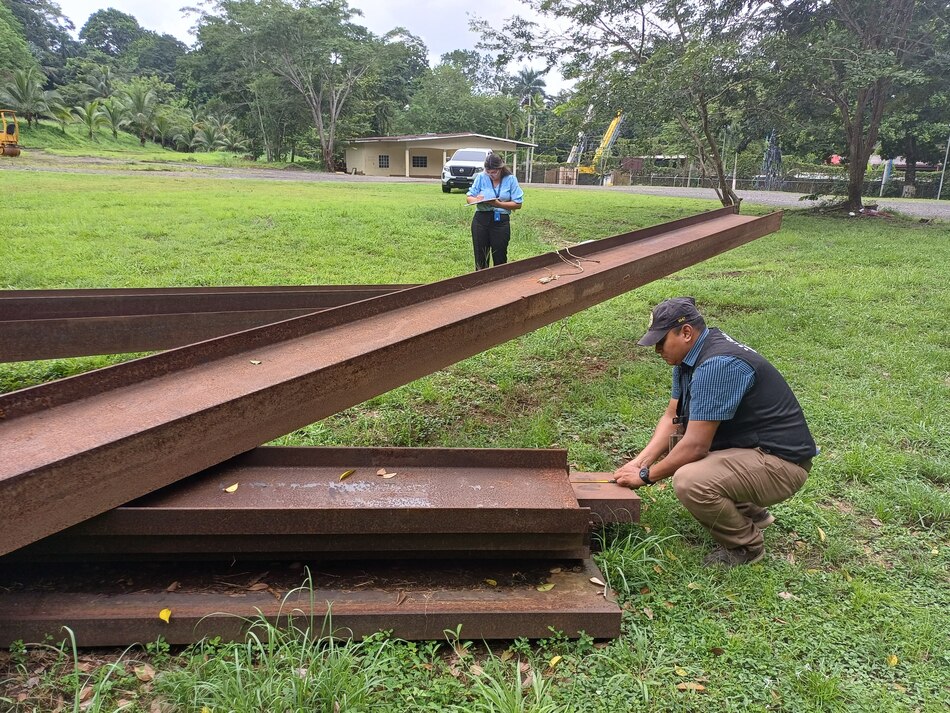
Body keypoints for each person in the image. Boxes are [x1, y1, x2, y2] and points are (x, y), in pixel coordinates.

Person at [614, 297, 817, 567]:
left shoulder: (717, 365)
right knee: (679, 446)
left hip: (783, 465)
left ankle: (746, 546)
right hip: (753, 451)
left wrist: (646, 476)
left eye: (661, 342)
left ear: (686, 333)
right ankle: (752, 513)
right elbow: (673, 417)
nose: (657, 350)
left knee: (689, 478)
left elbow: (697, 445)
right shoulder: (691, 356)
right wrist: (641, 461)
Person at [466, 153, 524, 270]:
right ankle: (481, 283)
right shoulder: (481, 177)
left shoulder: (511, 179)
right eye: (488, 172)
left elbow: (518, 204)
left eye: (494, 172)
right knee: (480, 256)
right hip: (481, 220)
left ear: (501, 168)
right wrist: (477, 199)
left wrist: (499, 204)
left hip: (500, 221)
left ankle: (500, 284)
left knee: (500, 256)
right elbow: (469, 197)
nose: (491, 175)